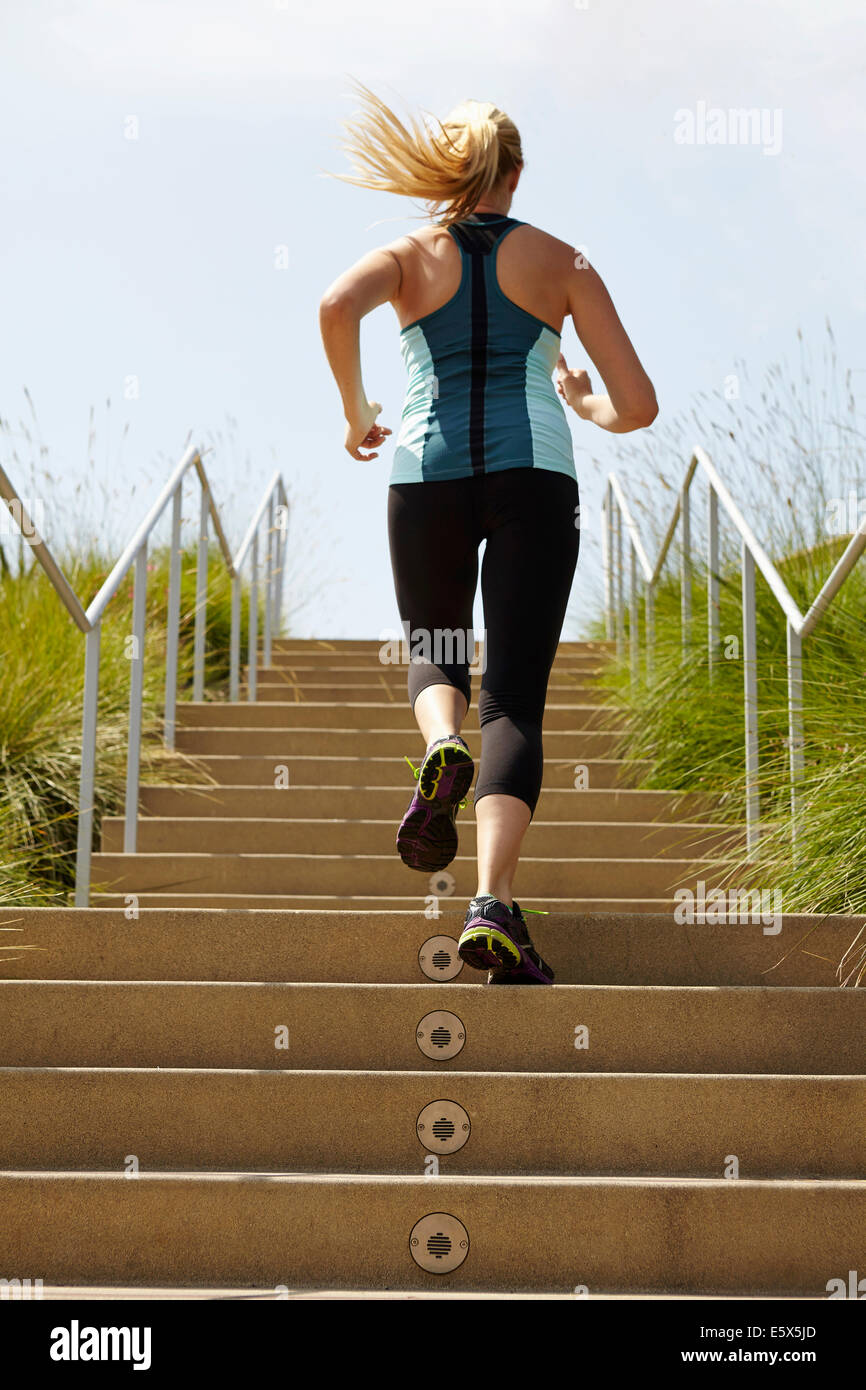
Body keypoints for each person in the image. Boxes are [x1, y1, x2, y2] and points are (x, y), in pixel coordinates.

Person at [319, 85, 657, 984]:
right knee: (515, 702)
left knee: (435, 647)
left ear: (451, 171)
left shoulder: (405, 254)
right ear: (515, 174)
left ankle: (439, 747)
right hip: (535, 480)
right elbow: (641, 405)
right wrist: (582, 403)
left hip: (425, 475)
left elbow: (332, 306)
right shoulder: (563, 261)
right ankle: (493, 903)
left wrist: (356, 411)